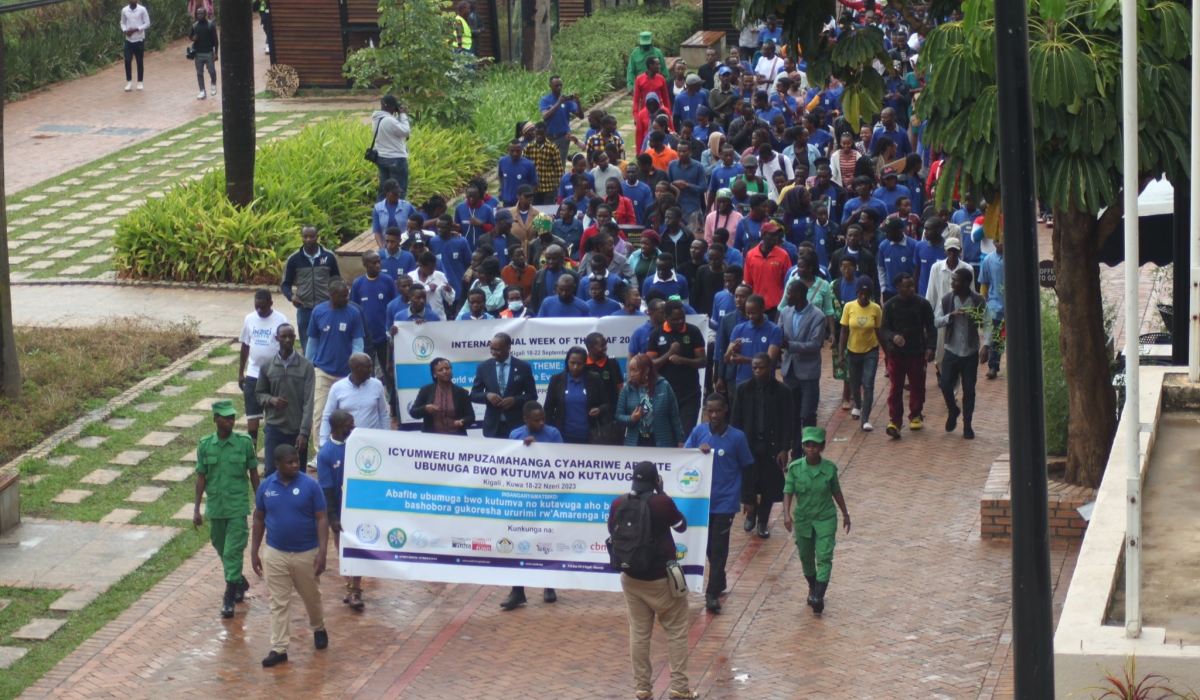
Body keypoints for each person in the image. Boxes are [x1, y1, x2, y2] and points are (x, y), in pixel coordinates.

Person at [607, 461, 698, 700]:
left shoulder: (618, 503)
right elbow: (680, 526)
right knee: (676, 632)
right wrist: (663, 492)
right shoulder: (661, 502)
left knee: (639, 633)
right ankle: (679, 688)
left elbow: (611, 531)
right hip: (661, 579)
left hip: (631, 578)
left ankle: (642, 689)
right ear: (656, 480)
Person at [251, 444, 329, 667]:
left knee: (311, 596)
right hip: (275, 553)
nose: (295, 465)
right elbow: (258, 519)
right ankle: (279, 647)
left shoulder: (310, 486)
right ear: (277, 465)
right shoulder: (266, 487)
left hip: (306, 552)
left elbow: (321, 518)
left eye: (296, 461)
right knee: (278, 601)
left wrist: (322, 553)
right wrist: (254, 552)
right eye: (290, 462)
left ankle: (319, 627)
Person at [685, 393, 753, 613]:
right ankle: (720, 579)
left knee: (719, 547)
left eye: (717, 411)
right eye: (709, 411)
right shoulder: (698, 433)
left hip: (725, 502)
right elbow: (684, 459)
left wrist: (749, 499)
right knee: (707, 547)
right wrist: (697, 451)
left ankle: (712, 593)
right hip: (702, 503)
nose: (713, 415)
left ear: (725, 410)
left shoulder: (737, 437)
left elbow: (748, 468)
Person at [193, 399, 259, 619]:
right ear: (215, 419)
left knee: (233, 551)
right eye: (226, 417)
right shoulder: (205, 445)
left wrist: (261, 502)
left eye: (232, 417)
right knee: (221, 547)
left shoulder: (244, 443)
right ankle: (238, 580)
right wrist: (196, 509)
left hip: (238, 506)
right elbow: (201, 478)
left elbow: (254, 474)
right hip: (216, 506)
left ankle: (229, 597)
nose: (231, 420)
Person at [782, 427, 851, 615]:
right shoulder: (796, 468)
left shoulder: (829, 469)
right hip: (804, 519)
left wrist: (845, 513)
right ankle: (813, 587)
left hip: (825, 518)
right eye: (807, 445)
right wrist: (786, 514)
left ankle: (819, 595)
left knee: (824, 556)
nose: (810, 449)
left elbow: (836, 491)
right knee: (806, 557)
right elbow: (788, 491)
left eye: (814, 446)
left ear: (822, 447)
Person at [730, 352, 793, 539]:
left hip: (771, 446)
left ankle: (763, 520)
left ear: (770, 367)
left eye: (761, 367)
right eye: (754, 368)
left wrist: (784, 448)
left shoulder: (782, 391)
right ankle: (750, 512)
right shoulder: (743, 389)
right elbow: (736, 420)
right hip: (748, 444)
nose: (757, 371)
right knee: (749, 482)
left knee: (768, 484)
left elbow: (788, 421)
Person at [305, 280, 364, 448]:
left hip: (346, 374)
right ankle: (320, 450)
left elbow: (358, 343)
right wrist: (309, 367)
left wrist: (355, 369)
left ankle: (348, 447)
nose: (348, 298)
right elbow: (312, 342)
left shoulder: (354, 312)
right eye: (344, 295)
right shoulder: (318, 312)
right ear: (332, 295)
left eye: (348, 294)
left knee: (348, 415)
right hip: (323, 371)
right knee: (319, 412)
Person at [316, 409, 365, 610]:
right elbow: (326, 488)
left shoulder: (357, 444)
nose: (353, 427)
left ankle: (355, 590)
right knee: (344, 551)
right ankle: (350, 587)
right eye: (349, 424)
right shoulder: (326, 453)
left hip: (358, 508)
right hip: (339, 512)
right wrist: (333, 516)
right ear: (338, 427)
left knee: (359, 549)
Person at [935, 267, 990, 439]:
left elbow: (988, 323)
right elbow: (936, 321)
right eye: (952, 280)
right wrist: (950, 316)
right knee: (945, 385)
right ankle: (953, 410)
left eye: (955, 280)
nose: (952, 283)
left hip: (970, 352)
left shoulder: (978, 300)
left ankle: (968, 425)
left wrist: (986, 345)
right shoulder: (947, 300)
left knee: (969, 390)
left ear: (966, 283)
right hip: (951, 350)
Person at [880, 273, 936, 439]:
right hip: (897, 355)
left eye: (912, 285)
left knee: (917, 385)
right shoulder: (890, 306)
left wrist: (931, 347)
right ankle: (895, 421)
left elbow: (931, 327)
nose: (911, 289)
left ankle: (916, 414)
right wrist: (893, 337)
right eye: (907, 286)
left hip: (917, 352)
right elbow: (883, 329)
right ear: (898, 288)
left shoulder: (922, 304)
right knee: (895, 388)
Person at [256, 324, 315, 478]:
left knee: (297, 473)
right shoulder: (267, 365)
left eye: (291, 336)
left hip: (296, 431)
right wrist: (271, 400)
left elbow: (309, 402)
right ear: (277, 339)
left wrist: (304, 432)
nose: (287, 340)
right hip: (274, 429)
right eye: (283, 336)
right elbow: (259, 393)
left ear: (295, 338)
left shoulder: (306, 366)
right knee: (270, 472)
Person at [239, 290, 289, 453]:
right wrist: (241, 372)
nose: (259, 310)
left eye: (263, 307)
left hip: (274, 374)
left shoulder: (280, 320)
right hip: (253, 373)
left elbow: (287, 345)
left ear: (271, 304)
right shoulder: (249, 319)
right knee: (252, 414)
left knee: (275, 414)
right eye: (257, 307)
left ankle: (273, 448)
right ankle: (252, 450)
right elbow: (245, 346)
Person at [646, 299, 705, 434]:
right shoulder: (656, 334)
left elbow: (702, 361)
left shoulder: (693, 331)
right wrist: (669, 354)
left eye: (682, 317)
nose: (680, 321)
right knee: (666, 435)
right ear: (666, 318)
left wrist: (683, 360)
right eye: (675, 319)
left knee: (685, 434)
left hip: (689, 394)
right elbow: (651, 365)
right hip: (663, 394)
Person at [281, 226, 341, 350]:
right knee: (307, 346)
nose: (308, 239)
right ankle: (310, 368)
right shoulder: (294, 260)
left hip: (326, 307)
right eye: (305, 237)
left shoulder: (329, 257)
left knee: (328, 343)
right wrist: (292, 297)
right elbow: (285, 284)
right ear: (302, 238)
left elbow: (337, 280)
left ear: (317, 237)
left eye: (311, 236)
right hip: (304, 309)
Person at [779, 279, 825, 436]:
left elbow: (815, 345)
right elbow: (779, 335)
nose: (786, 297)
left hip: (808, 374)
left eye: (789, 294)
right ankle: (796, 454)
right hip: (789, 371)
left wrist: (790, 345)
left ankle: (810, 452)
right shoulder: (785, 312)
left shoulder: (818, 316)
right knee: (791, 415)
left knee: (807, 415)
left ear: (798, 296)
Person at [471, 333, 538, 439]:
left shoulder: (523, 367)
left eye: (497, 350)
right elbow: (474, 395)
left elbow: (532, 395)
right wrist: (487, 395)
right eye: (491, 349)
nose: (493, 353)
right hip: (493, 427)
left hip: (516, 426)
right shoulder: (483, 367)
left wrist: (515, 400)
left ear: (508, 348)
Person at [839, 277, 884, 432]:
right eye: (861, 294)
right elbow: (844, 332)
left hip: (870, 351)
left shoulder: (876, 308)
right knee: (854, 384)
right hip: (853, 351)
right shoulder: (849, 307)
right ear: (857, 293)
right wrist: (840, 354)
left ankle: (865, 419)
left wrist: (887, 353)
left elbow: (879, 331)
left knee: (868, 384)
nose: (864, 297)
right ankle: (857, 404)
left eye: (867, 294)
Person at [924, 237, 974, 375]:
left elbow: (972, 294)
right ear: (945, 250)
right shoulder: (936, 268)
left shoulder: (967, 269)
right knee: (940, 354)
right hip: (941, 316)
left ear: (960, 251)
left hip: (960, 316)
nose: (952, 253)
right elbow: (931, 294)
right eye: (950, 250)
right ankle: (943, 375)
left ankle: (952, 389)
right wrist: (927, 319)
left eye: (955, 250)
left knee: (958, 353)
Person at [318, 352, 388, 445]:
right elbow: (327, 416)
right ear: (356, 368)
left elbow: (383, 415)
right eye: (368, 367)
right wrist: (323, 442)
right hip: (347, 442)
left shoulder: (377, 385)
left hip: (372, 441)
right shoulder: (337, 388)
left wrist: (387, 438)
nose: (371, 370)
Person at [616, 354, 684, 447]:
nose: (631, 374)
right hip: (635, 442)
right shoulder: (627, 389)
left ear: (647, 370)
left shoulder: (664, 386)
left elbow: (674, 416)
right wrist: (631, 419)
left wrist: (680, 440)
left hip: (661, 442)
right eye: (630, 370)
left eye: (635, 370)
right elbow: (619, 416)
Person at [545, 345, 608, 445]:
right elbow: (548, 409)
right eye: (572, 363)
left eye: (580, 364)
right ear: (567, 361)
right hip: (562, 436)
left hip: (590, 437)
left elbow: (606, 403)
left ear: (585, 363)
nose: (575, 367)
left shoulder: (594, 378)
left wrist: (600, 409)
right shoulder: (556, 379)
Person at [725, 294, 783, 386]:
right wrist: (733, 351)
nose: (751, 316)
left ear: (763, 309)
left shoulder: (774, 330)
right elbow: (726, 359)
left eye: (754, 313)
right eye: (748, 313)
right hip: (743, 383)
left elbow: (769, 361)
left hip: (765, 383)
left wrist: (745, 360)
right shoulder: (738, 329)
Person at [409, 358, 475, 434]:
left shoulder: (462, 392)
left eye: (447, 368)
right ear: (434, 374)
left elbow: (471, 417)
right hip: (432, 438)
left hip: (456, 437)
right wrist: (425, 409)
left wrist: (462, 421)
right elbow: (413, 412)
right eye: (440, 370)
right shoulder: (426, 390)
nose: (445, 372)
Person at [743, 221, 790, 318]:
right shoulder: (751, 255)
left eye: (777, 235)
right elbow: (748, 282)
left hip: (777, 306)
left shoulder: (783, 255)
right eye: (772, 235)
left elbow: (788, 282)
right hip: (757, 305)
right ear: (763, 235)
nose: (776, 237)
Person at [371, 96, 412, 201]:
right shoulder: (389, 120)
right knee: (399, 191)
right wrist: (402, 114)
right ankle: (397, 215)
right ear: (393, 106)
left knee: (384, 190)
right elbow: (406, 131)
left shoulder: (377, 118)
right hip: (396, 159)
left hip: (382, 158)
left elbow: (395, 129)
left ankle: (380, 214)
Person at [539, 77, 582, 165]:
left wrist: (578, 103)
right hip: (549, 137)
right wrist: (558, 103)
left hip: (563, 137)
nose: (559, 87)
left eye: (560, 85)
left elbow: (581, 116)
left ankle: (559, 178)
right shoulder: (545, 100)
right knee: (548, 164)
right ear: (550, 86)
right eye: (556, 85)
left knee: (560, 165)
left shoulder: (566, 101)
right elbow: (545, 116)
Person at [978, 240, 1005, 380]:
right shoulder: (988, 260)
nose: (1001, 244)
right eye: (997, 241)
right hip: (995, 304)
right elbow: (985, 283)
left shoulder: (1015, 258)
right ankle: (993, 367)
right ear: (994, 243)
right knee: (996, 337)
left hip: (1013, 305)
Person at [525, 123, 565, 206]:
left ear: (546, 133)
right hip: (534, 188)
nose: (539, 136)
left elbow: (559, 168)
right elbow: (524, 166)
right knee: (536, 213)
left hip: (549, 187)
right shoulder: (528, 148)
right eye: (537, 134)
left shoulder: (552, 148)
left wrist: (558, 185)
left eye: (541, 134)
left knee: (546, 214)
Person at [877, 218, 916, 301]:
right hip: (890, 292)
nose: (886, 234)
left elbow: (918, 269)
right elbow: (881, 269)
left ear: (899, 231)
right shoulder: (883, 246)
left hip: (909, 292)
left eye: (889, 231)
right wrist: (883, 289)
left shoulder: (914, 245)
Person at [411, 249, 454, 321]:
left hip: (439, 318)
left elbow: (449, 299)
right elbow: (408, 298)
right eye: (430, 268)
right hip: (417, 320)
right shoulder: (411, 277)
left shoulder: (440, 276)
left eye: (434, 267)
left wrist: (449, 291)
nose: (433, 270)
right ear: (421, 266)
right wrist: (427, 288)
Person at [497, 140, 538, 207]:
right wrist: (501, 190)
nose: (515, 153)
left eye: (517, 151)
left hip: (522, 204)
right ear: (508, 150)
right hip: (507, 202)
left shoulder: (529, 164)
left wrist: (527, 197)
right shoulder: (502, 161)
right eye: (512, 151)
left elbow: (535, 184)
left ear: (522, 150)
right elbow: (500, 176)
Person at [120, 0, 150, 92]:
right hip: (129, 40)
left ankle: (140, 81)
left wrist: (136, 29)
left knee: (139, 61)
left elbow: (147, 23)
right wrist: (125, 30)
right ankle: (129, 81)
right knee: (127, 60)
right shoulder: (125, 10)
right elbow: (122, 22)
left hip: (139, 39)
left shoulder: (142, 9)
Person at [189, 7, 218, 100]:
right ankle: (202, 90)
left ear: (205, 14)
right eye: (198, 14)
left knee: (211, 71)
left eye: (201, 14)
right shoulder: (195, 26)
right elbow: (190, 36)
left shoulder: (210, 25)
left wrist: (216, 52)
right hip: (198, 53)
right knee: (199, 73)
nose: (199, 15)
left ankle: (213, 83)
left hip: (209, 52)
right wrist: (193, 38)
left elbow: (215, 40)